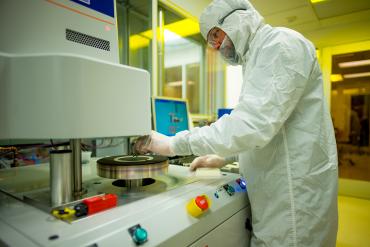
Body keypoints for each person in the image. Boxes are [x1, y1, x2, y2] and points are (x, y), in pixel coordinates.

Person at [134, 0, 338, 246]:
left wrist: (172, 144)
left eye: (216, 35)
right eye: (211, 42)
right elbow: (271, 129)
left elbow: (252, 125)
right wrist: (225, 157)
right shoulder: (258, 57)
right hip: (279, 195)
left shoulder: (280, 45)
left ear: (238, 18)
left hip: (293, 206)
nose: (217, 46)